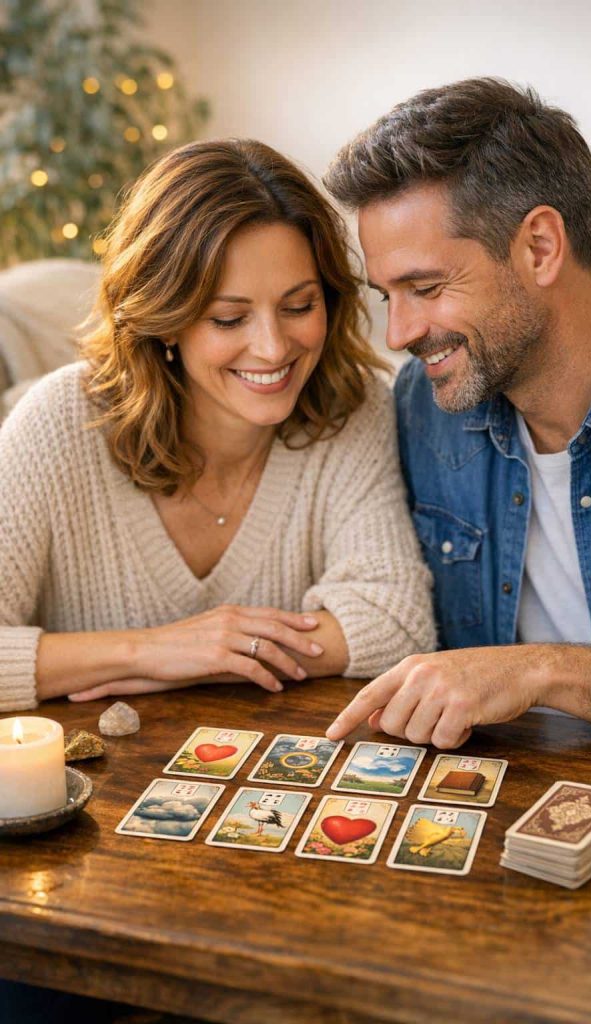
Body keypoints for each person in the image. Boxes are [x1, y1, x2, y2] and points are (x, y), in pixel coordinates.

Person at [0, 139, 435, 713]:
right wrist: (151, 652)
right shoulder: (58, 423)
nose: (273, 348)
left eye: (299, 306)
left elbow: (395, 623)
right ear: (165, 319)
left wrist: (211, 657)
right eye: (229, 318)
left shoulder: (351, 407)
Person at [323, 77, 591, 751]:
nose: (398, 334)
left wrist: (537, 671)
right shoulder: (424, 403)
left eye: (426, 287)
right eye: (387, 297)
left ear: (540, 247)